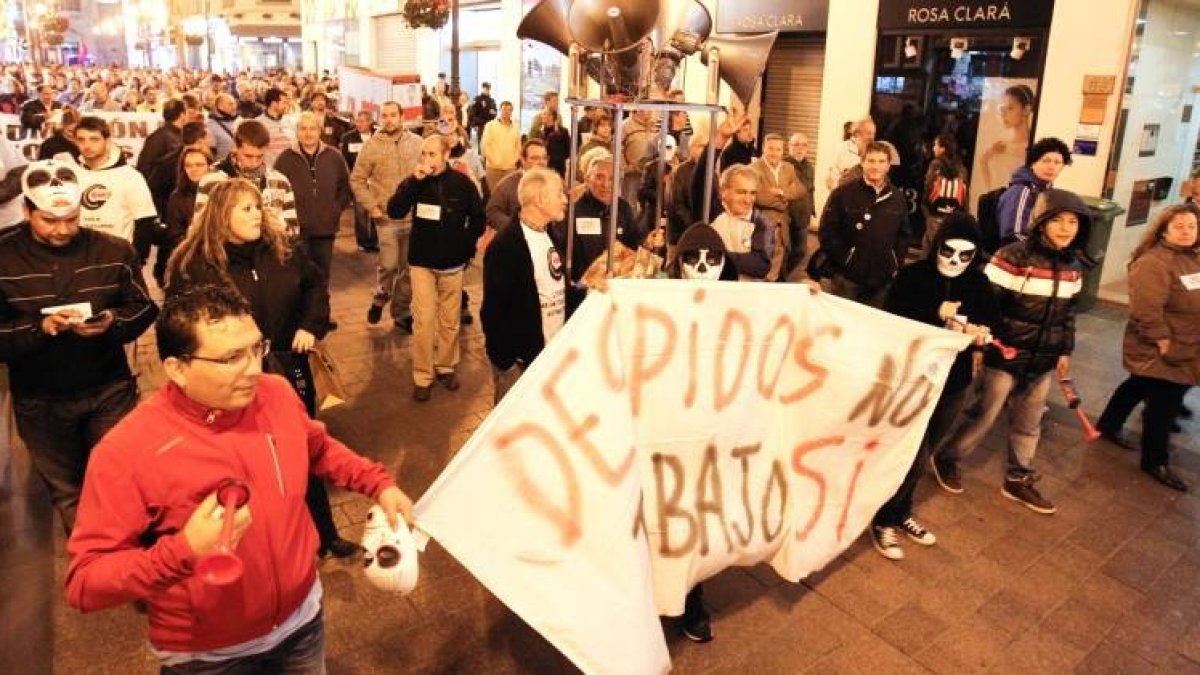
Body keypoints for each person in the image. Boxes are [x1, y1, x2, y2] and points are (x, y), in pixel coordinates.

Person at [64, 284, 414, 672]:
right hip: (206, 654)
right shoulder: (126, 452)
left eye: (255, 349)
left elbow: (316, 447)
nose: (253, 369)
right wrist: (184, 550)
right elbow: (85, 582)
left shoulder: (275, 393)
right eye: (231, 358)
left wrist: (378, 483)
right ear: (177, 368)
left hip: (302, 622)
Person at [165, 178, 359, 557]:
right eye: (246, 209)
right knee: (246, 457)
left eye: (258, 206)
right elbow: (179, 326)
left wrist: (310, 325)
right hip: (231, 378)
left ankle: (324, 533)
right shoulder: (195, 267)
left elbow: (315, 286)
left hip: (288, 367)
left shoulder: (283, 249)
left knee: (302, 442)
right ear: (222, 217)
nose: (258, 214)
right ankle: (266, 541)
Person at [0, 160, 158, 534]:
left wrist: (112, 324)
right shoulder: (3, 256)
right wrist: (38, 327)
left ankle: (135, 565)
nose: (62, 230)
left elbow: (143, 307)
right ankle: (94, 564)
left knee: (121, 481)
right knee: (68, 491)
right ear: (27, 210)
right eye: (50, 221)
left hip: (109, 389)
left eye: (71, 219)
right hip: (40, 400)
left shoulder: (114, 250)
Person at [929, 189, 1091, 514]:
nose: (1065, 228)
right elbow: (987, 305)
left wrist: (1064, 351)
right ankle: (947, 456)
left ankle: (1019, 477)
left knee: (1029, 421)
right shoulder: (1013, 257)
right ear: (1041, 221)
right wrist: (983, 346)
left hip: (1043, 359)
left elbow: (1068, 314)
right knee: (985, 412)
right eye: (1057, 220)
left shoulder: (1074, 265)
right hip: (1005, 354)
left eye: (1072, 222)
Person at [872, 213, 998, 560]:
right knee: (909, 451)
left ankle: (900, 512)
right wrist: (933, 312)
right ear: (936, 247)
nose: (955, 261)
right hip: (913, 379)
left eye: (965, 255)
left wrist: (980, 335)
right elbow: (892, 318)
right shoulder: (913, 277)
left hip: (953, 381)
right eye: (948, 252)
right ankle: (884, 518)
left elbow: (990, 322)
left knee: (925, 450)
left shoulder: (978, 284)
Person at [1096, 204, 1200, 492]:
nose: (1186, 231)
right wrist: (1164, 342)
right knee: (1163, 406)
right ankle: (1155, 460)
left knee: (1138, 383)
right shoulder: (1155, 261)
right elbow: (1146, 308)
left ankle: (1108, 424)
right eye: (1178, 225)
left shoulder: (1190, 258)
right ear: (1163, 229)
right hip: (1164, 346)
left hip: (1186, 342)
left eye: (1191, 225)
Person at [387, 134, 485, 401]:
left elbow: (478, 219)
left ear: (444, 155)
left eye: (432, 154)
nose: (427, 159)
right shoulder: (415, 182)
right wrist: (412, 183)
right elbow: (394, 210)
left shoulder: (462, 183)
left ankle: (445, 366)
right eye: (424, 154)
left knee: (449, 321)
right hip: (422, 263)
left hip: (453, 264)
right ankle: (422, 375)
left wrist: (466, 247)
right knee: (424, 320)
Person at [482, 167, 568, 404]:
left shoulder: (549, 234)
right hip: (521, 366)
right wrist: (507, 366)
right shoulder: (505, 247)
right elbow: (493, 313)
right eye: (559, 193)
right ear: (541, 200)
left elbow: (554, 284)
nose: (565, 199)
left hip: (548, 356)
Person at [351, 101, 423, 332]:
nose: (389, 119)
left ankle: (401, 312)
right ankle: (380, 297)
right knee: (390, 265)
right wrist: (371, 206)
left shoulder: (417, 143)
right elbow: (357, 179)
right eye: (385, 115)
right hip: (386, 219)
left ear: (402, 116)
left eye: (394, 115)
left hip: (414, 218)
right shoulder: (372, 146)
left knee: (409, 270)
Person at [812, 141, 910, 307]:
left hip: (881, 282)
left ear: (888, 166)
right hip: (847, 279)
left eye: (881, 162)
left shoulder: (897, 198)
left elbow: (904, 235)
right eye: (871, 161)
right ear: (862, 163)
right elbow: (827, 231)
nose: (876, 166)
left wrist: (894, 263)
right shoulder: (843, 193)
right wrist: (845, 259)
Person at [274, 111, 353, 286]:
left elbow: (346, 186)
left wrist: (335, 209)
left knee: (322, 274)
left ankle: (320, 311)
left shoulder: (334, 156)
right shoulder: (284, 158)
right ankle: (301, 312)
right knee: (298, 275)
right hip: (296, 230)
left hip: (326, 228)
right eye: (303, 129)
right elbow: (275, 191)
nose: (308, 133)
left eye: (312, 129)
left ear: (320, 131)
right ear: (297, 131)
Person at [72, 116, 160, 260]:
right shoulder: (71, 175)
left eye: (94, 139)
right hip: (79, 258)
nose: (87, 145)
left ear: (107, 141)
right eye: (81, 140)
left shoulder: (130, 176)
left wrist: (137, 260)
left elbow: (145, 221)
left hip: (117, 260)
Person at [196, 119, 301, 240]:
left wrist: (279, 227)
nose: (254, 162)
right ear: (235, 147)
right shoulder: (213, 179)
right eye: (248, 156)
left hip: (268, 254)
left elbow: (294, 231)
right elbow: (201, 228)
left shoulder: (280, 181)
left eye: (260, 156)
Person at [557, 153, 642, 284]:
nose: (606, 184)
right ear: (587, 179)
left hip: (617, 284)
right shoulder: (573, 210)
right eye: (599, 177)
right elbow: (560, 251)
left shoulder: (623, 208)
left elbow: (634, 245)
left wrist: (647, 244)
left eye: (611, 179)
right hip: (581, 287)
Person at [995, 137, 1071, 247]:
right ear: (1032, 163)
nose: (1051, 167)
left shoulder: (1046, 190)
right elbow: (1014, 234)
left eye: (1057, 162)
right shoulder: (1022, 191)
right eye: (1046, 161)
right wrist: (1046, 253)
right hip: (1018, 255)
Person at [751, 133, 804, 281]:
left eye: (778, 149)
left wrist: (780, 192)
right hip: (762, 225)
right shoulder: (754, 168)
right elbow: (760, 198)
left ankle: (770, 287)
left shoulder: (789, 168)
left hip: (783, 226)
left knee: (778, 260)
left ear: (783, 151)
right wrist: (784, 201)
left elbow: (800, 190)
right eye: (771, 149)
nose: (774, 153)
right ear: (764, 149)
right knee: (761, 262)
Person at [707, 164, 774, 280]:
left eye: (752, 193)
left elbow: (761, 265)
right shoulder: (712, 216)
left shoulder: (761, 223)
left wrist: (720, 256)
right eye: (741, 192)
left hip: (744, 292)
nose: (748, 200)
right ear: (724, 191)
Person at [158, 147, 211, 287]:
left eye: (199, 165)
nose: (193, 169)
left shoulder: (222, 191)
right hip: (191, 260)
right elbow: (174, 234)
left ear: (210, 166)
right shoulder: (177, 197)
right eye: (188, 165)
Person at [978, 84, 1034, 194]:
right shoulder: (1001, 142)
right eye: (1003, 108)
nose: (1003, 114)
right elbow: (982, 161)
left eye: (1010, 108)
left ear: (1026, 110)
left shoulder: (1031, 147)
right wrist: (990, 190)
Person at [486, 138, 550, 232]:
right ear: (523, 160)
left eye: (544, 158)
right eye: (535, 158)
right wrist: (518, 228)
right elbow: (492, 213)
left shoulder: (553, 184)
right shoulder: (507, 185)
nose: (541, 162)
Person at [922, 132, 969, 254]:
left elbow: (928, 187)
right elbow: (964, 196)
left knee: (930, 248)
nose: (933, 148)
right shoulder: (961, 168)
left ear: (942, 148)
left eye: (935, 145)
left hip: (935, 214)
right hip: (953, 216)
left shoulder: (935, 165)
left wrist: (926, 211)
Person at [341, 110, 378, 252]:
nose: (359, 124)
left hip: (376, 181)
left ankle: (375, 241)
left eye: (362, 121)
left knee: (375, 210)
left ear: (370, 122)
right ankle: (363, 242)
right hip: (359, 181)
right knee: (360, 213)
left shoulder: (379, 136)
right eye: (358, 121)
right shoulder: (347, 138)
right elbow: (344, 161)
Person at [480, 100, 521, 195]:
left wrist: (514, 160)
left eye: (509, 110)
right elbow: (484, 145)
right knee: (495, 195)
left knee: (508, 194)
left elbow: (518, 146)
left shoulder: (516, 127)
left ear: (511, 112)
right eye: (504, 109)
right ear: (499, 110)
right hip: (493, 168)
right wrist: (494, 160)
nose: (506, 112)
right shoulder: (490, 125)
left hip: (510, 168)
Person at [827, 117, 876, 189]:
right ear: (857, 134)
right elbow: (831, 179)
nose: (872, 137)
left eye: (873, 134)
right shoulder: (841, 149)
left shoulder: (874, 152)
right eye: (868, 133)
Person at [256, 87, 293, 165]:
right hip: (270, 170)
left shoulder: (291, 121)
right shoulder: (258, 123)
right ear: (273, 104)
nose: (286, 105)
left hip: (289, 168)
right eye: (284, 103)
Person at [207, 92, 241, 163]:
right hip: (222, 170)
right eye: (230, 104)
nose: (234, 106)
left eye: (235, 103)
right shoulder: (210, 125)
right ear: (220, 106)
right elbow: (210, 153)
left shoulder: (240, 120)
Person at [468, 82, 497, 147]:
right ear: (482, 88)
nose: (486, 90)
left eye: (488, 89)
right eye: (485, 88)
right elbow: (471, 112)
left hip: (490, 125)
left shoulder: (492, 101)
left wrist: (492, 113)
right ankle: (481, 156)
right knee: (481, 145)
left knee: (490, 144)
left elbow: (495, 113)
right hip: (480, 125)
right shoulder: (477, 99)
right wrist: (474, 124)